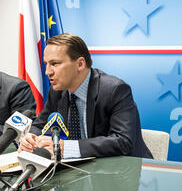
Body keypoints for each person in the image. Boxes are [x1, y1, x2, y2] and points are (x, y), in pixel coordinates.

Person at [18, 33, 153, 159]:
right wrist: (31, 138)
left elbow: (123, 141)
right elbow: (41, 124)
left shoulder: (115, 90)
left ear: (80, 64)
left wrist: (67, 148)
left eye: (55, 64)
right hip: (78, 172)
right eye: (46, 64)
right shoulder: (57, 91)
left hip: (124, 173)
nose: (47, 72)